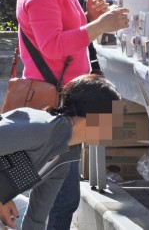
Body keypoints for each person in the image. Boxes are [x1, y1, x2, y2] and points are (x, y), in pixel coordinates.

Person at [15, 0, 129, 230]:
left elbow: (64, 32)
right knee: (58, 201)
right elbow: (52, 45)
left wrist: (90, 17)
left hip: (65, 99)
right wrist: (101, 23)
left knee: (60, 198)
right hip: (53, 104)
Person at [0, 75, 121, 230]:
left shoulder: (64, 158)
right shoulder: (40, 128)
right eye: (113, 119)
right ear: (92, 117)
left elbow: (36, 218)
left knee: (22, 212)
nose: (115, 128)